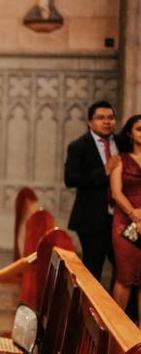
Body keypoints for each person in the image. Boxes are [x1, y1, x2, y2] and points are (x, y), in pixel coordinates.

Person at [64, 100, 119, 282]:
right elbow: (70, 179)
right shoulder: (79, 146)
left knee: (124, 269)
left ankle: (120, 310)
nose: (107, 122)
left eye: (110, 117)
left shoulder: (122, 143)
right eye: (101, 118)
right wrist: (103, 171)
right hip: (91, 219)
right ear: (89, 122)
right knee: (93, 270)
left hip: (120, 218)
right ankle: (88, 310)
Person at [110, 114, 141, 327]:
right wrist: (134, 214)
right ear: (130, 133)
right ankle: (114, 330)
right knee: (125, 276)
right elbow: (116, 192)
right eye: (140, 129)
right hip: (125, 221)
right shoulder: (120, 159)